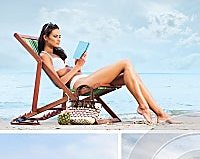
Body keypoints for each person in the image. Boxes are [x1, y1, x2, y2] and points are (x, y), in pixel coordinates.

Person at [37, 22, 181, 125]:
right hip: (80, 85)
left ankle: (160, 114)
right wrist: (76, 68)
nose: (59, 39)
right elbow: (59, 83)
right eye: (55, 36)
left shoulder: (58, 55)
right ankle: (143, 106)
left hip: (84, 78)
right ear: (45, 37)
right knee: (126, 62)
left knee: (132, 75)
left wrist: (78, 64)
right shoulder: (45, 56)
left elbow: (72, 72)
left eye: (60, 36)